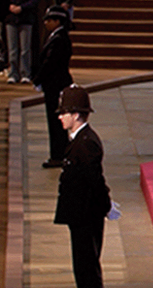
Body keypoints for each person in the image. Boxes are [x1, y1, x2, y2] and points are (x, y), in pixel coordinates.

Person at [54, 85, 112, 288]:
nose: (60, 117)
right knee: (83, 266)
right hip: (80, 215)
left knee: (87, 268)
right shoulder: (79, 140)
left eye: (64, 113)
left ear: (76, 114)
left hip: (86, 216)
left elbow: (94, 180)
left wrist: (106, 204)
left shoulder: (86, 143)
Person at [32, 5, 74, 169]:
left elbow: (50, 63)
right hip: (55, 84)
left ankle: (58, 154)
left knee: (56, 121)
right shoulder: (57, 36)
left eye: (49, 20)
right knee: (56, 121)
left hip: (56, 84)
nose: (45, 23)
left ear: (57, 22)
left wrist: (37, 79)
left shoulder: (59, 39)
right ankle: (58, 153)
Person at [6, 0, 40, 84]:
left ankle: (25, 73)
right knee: (13, 49)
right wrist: (9, 6)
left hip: (25, 18)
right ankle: (13, 73)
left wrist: (22, 7)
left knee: (25, 48)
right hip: (11, 19)